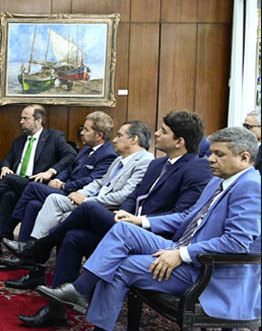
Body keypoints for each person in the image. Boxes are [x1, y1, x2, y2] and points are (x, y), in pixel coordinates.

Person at [37, 126, 261, 331]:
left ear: (244, 158)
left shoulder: (250, 186)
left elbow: (236, 242)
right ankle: (80, 290)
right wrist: (141, 221)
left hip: (206, 270)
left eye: (219, 155)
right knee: (123, 229)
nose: (210, 159)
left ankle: (89, 307)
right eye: (211, 152)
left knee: (120, 266)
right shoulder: (219, 180)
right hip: (183, 247)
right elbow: (188, 217)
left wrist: (181, 255)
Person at [7, 110, 212, 327]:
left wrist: (138, 220)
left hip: (154, 237)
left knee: (89, 209)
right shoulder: (157, 164)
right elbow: (133, 197)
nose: (156, 133)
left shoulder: (197, 169)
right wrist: (121, 213)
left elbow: (183, 216)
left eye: (163, 131)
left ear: (179, 141)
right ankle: (56, 310)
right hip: (127, 225)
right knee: (74, 237)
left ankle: (38, 248)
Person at [0, 104, 76, 260]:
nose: (21, 122)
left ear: (38, 120)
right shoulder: (19, 141)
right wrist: (5, 167)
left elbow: (71, 155)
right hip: (18, 184)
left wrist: (50, 172)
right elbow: (8, 159)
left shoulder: (54, 137)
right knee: (7, 195)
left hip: (37, 185)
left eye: (25, 118)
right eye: (21, 118)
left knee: (9, 181)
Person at [26, 121, 153, 241]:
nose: (114, 140)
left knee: (62, 217)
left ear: (133, 139)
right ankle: (34, 245)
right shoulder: (119, 159)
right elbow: (100, 182)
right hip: (93, 200)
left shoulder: (145, 161)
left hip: (109, 209)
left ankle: (36, 249)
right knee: (54, 199)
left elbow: (124, 196)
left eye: (119, 136)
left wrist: (86, 200)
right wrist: (81, 194)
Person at [7, 111, 118, 245]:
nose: (82, 132)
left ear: (99, 135)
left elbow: (92, 181)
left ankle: (7, 228)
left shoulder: (108, 155)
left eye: (86, 130)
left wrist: (64, 186)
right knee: (33, 204)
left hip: (75, 196)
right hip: (64, 189)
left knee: (32, 187)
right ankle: (24, 249)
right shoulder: (87, 148)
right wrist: (58, 180)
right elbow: (70, 167)